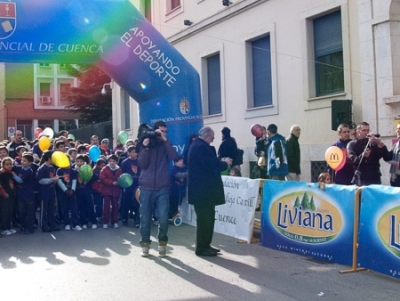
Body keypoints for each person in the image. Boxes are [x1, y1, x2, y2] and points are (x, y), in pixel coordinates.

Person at [187, 126, 232, 257]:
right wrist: (225, 163)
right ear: (206, 136)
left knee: (207, 220)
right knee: (205, 220)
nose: (212, 141)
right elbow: (211, 164)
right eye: (212, 138)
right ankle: (202, 248)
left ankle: (205, 245)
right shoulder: (201, 147)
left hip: (203, 192)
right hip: (203, 192)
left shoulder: (197, 145)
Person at [137, 121, 178, 257]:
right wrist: (145, 148)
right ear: (155, 131)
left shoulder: (166, 144)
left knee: (163, 217)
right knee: (145, 218)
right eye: (161, 131)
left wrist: (165, 140)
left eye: (165, 132)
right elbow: (142, 164)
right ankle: (145, 244)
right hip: (146, 186)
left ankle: (162, 243)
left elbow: (174, 157)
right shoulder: (146, 143)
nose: (163, 134)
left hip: (162, 187)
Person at [347, 121, 391, 185]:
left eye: (368, 130)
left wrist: (382, 146)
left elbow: (387, 157)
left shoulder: (374, 142)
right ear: (358, 131)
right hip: (361, 178)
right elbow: (353, 160)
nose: (366, 132)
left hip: (375, 177)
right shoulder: (352, 144)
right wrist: (363, 155)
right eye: (364, 130)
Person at [36, 151, 59, 232]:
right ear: (49, 158)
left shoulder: (52, 168)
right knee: (44, 210)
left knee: (51, 210)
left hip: (51, 192)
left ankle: (52, 224)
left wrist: (55, 180)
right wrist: (52, 179)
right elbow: (40, 180)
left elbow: (52, 178)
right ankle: (43, 226)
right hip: (44, 193)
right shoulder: (42, 168)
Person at [57, 161, 82, 231]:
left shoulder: (73, 171)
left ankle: (75, 224)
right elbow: (59, 181)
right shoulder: (59, 171)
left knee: (74, 208)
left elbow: (74, 181)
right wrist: (65, 190)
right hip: (63, 192)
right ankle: (66, 223)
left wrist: (72, 190)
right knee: (64, 208)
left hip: (72, 192)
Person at [75, 154, 97, 229]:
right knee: (81, 207)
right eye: (78, 161)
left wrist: (88, 180)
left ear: (84, 162)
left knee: (90, 206)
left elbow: (94, 177)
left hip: (87, 190)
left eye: (81, 161)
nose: (79, 163)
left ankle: (93, 221)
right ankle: (84, 222)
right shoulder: (74, 170)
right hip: (79, 191)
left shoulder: (88, 168)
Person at [100, 154, 122, 229]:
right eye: (110, 161)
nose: (112, 163)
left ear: (116, 162)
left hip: (116, 191)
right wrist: (111, 182)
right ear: (108, 162)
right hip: (106, 191)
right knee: (106, 207)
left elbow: (121, 179)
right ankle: (105, 222)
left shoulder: (119, 170)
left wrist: (119, 182)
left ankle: (114, 221)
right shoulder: (104, 169)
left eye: (114, 161)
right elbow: (102, 178)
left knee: (115, 207)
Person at [120, 145, 140, 227]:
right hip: (128, 186)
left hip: (137, 185)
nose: (135, 154)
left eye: (136, 152)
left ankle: (137, 220)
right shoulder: (125, 162)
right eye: (133, 152)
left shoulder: (139, 162)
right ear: (129, 153)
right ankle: (125, 219)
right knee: (126, 202)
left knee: (137, 202)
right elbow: (122, 173)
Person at [0, 157, 18, 236]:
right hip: (4, 196)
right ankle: (4, 228)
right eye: (7, 164)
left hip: (11, 195)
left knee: (10, 211)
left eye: (10, 164)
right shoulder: (2, 173)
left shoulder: (12, 173)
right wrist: (4, 193)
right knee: (5, 212)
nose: (9, 166)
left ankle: (9, 227)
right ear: (3, 165)